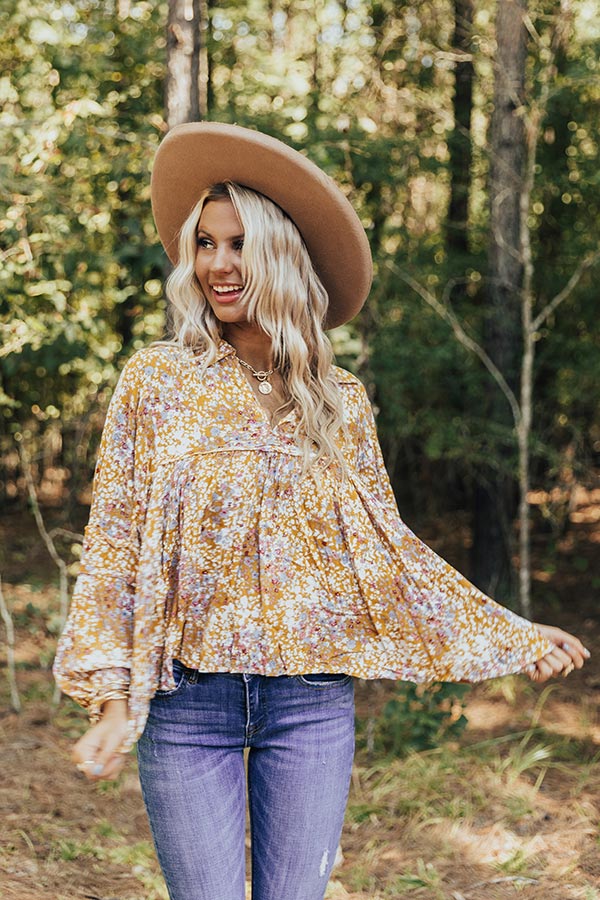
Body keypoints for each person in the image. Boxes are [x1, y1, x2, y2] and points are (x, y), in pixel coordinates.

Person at [53, 122, 589, 900]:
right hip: (186, 703)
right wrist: (111, 699)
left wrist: (508, 635)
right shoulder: (155, 383)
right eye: (205, 243)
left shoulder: (341, 405)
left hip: (308, 706)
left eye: (239, 243)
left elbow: (388, 555)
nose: (218, 264)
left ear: (279, 254)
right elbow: (113, 546)